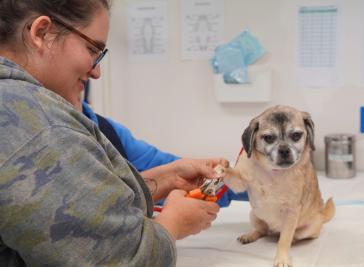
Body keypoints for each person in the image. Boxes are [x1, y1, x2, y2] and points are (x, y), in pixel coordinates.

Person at [0, 1, 229, 266]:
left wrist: (167, 178)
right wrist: (174, 223)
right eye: (92, 49)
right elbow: (122, 259)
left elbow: (60, 207)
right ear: (41, 33)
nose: (96, 71)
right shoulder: (41, 126)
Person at [81, 100, 249, 207]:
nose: (96, 71)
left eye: (98, 54)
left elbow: (180, 175)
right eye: (89, 48)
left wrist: (259, 184)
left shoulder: (109, 132)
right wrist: (170, 226)